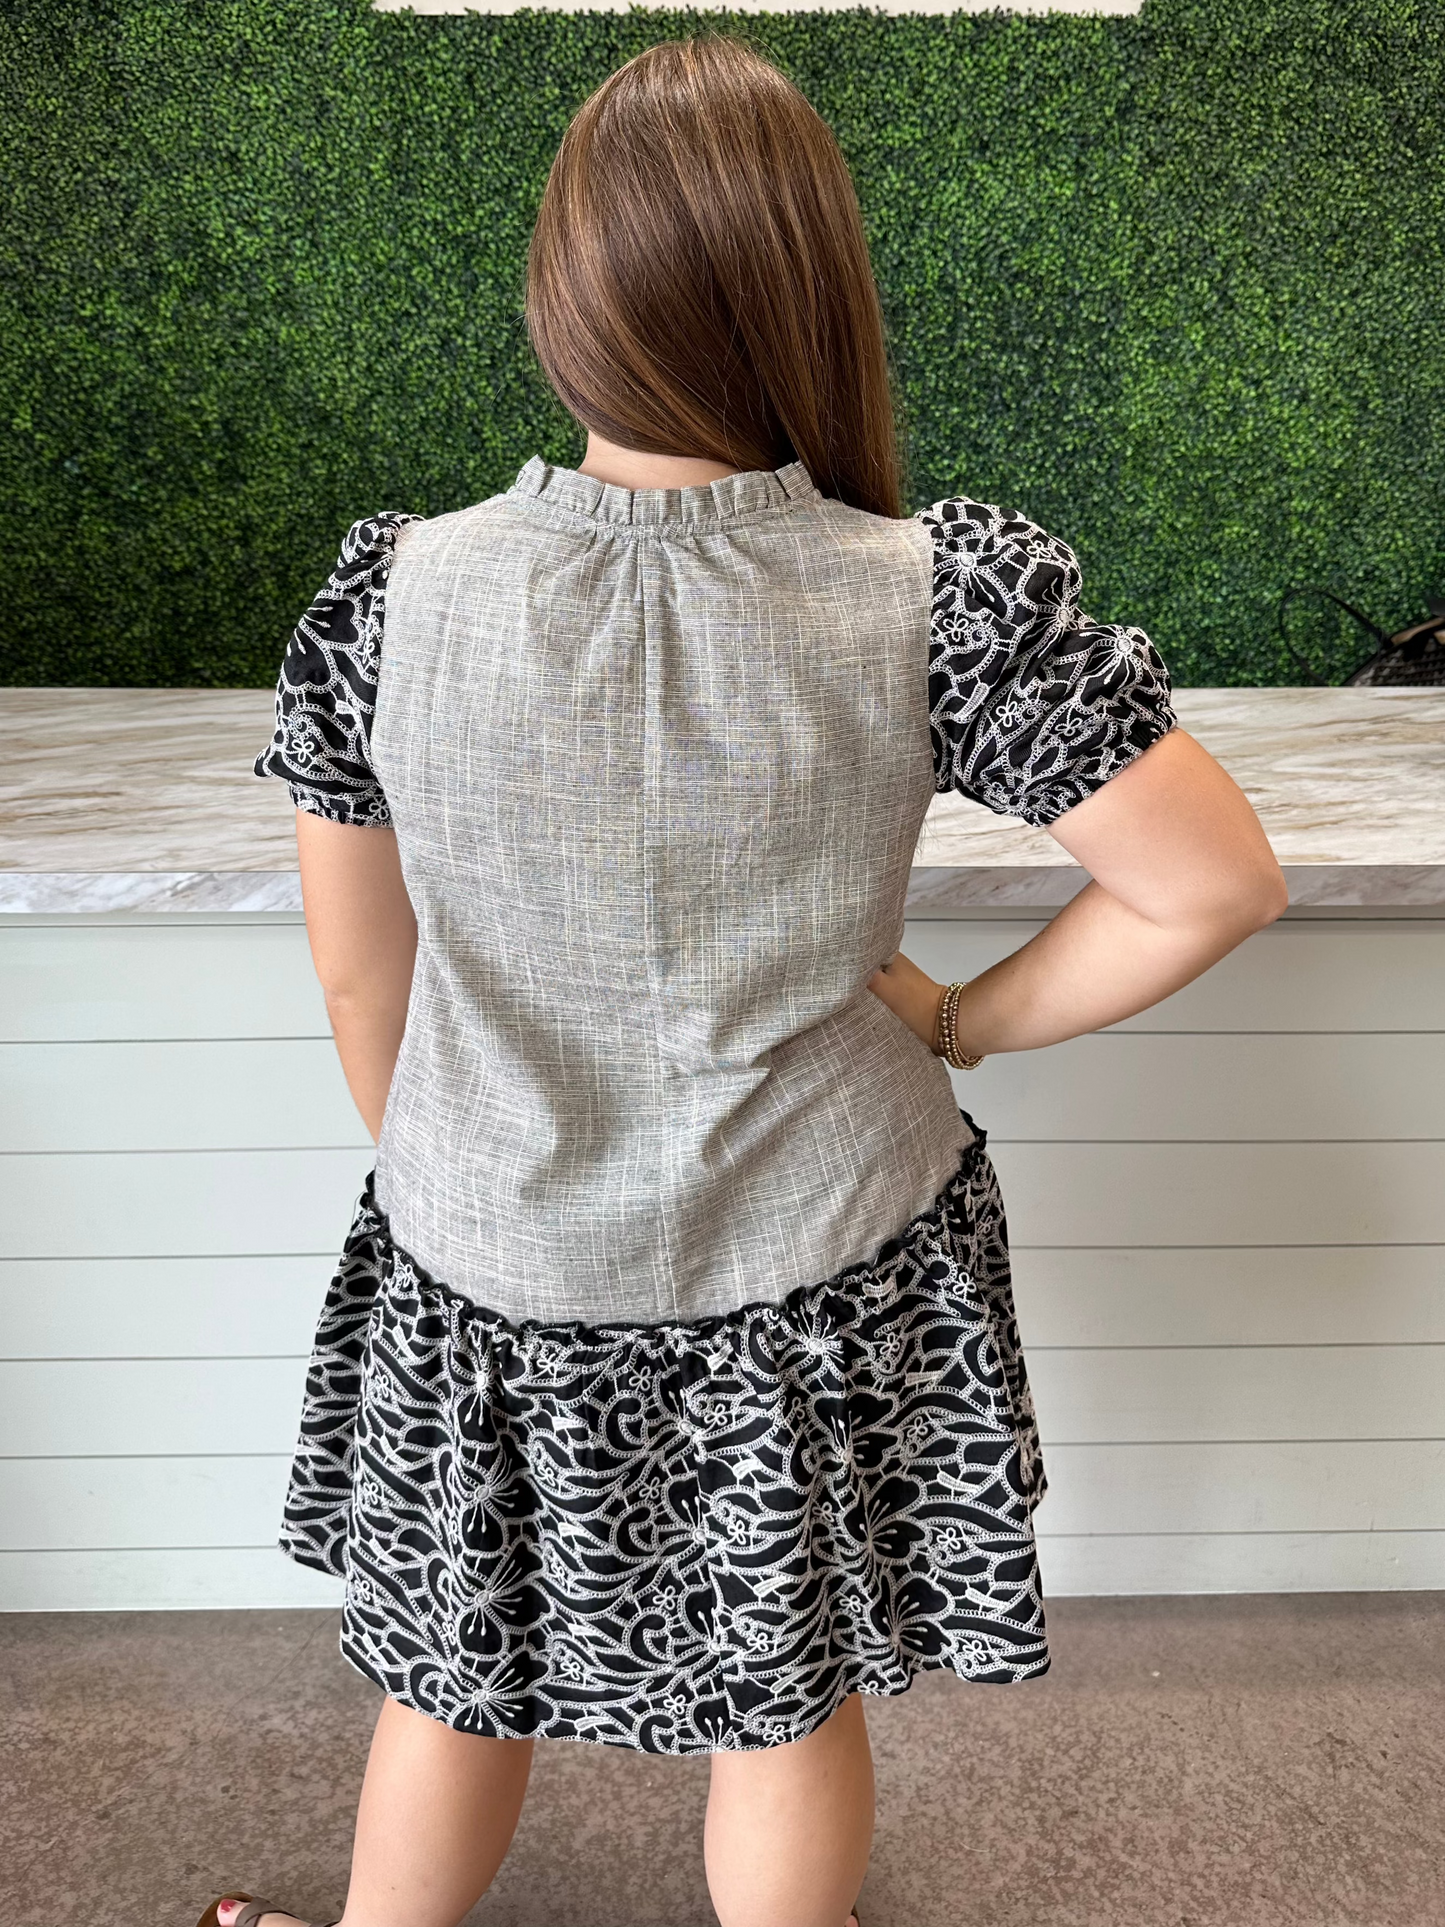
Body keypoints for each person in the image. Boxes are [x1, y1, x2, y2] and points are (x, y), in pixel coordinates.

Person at [203, 34, 1286, 1927]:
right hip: (814, 1248)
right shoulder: (932, 591)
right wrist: (960, 1017)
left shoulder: (389, 595)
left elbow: (362, 983)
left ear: (564, 301)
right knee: (781, 1697)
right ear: (814, 290)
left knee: (454, 1670)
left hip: (489, 1248)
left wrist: (479, 1195)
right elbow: (1207, 885)